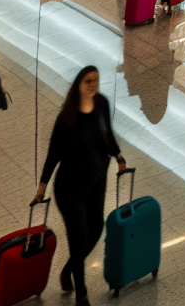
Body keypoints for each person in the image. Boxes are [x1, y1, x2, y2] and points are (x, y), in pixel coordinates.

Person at [35, 66, 127, 306]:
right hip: (70, 189)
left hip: (97, 182)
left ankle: (68, 270)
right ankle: (82, 293)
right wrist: (42, 186)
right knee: (79, 237)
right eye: (88, 81)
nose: (93, 85)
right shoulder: (67, 117)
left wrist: (118, 157)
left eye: (96, 80)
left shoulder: (102, 105)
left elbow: (108, 135)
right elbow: (53, 153)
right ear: (78, 84)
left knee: (96, 228)